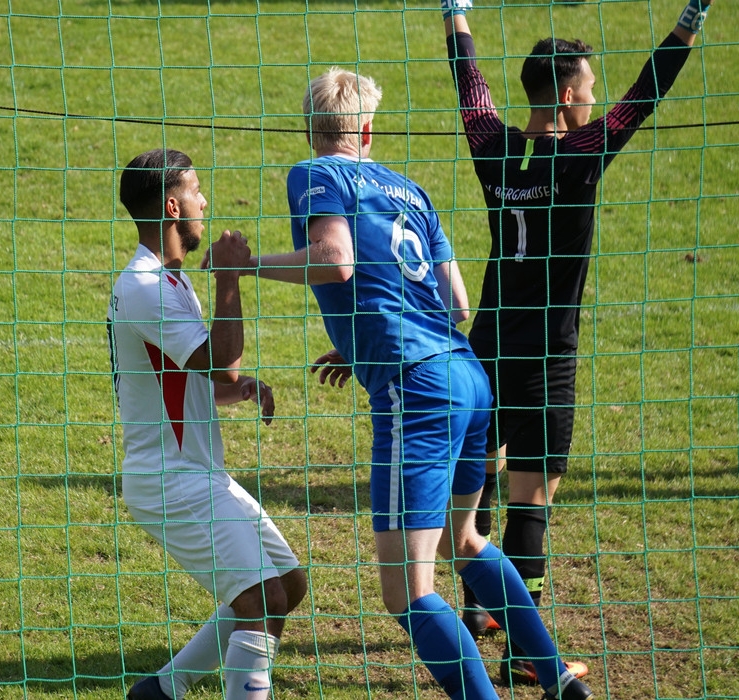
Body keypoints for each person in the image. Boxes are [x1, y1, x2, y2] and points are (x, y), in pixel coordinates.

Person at [244, 67, 593, 700]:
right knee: (467, 539)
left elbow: (334, 261)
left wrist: (248, 265)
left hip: (419, 389)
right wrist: (364, 339)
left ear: (310, 128)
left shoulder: (317, 172)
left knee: (408, 591)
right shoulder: (413, 191)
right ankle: (557, 678)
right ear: (368, 130)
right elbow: (454, 301)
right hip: (466, 375)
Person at [442, 0, 712, 688]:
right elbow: (647, 93)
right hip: (546, 359)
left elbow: (469, 87)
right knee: (531, 496)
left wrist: (456, 14)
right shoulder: (584, 153)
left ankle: (480, 610)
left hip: (486, 349)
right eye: (589, 89)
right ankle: (530, 656)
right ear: (566, 96)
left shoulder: (493, 147)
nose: (596, 99)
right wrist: (692, 16)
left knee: (477, 491)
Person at [109, 148, 307, 700]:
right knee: (259, 600)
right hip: (170, 479)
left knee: (287, 586)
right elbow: (219, 358)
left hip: (198, 473)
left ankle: (163, 690)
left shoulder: (168, 281)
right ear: (172, 206)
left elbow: (205, 374)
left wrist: (236, 390)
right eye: (197, 192)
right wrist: (230, 275)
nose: (205, 201)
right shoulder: (146, 287)